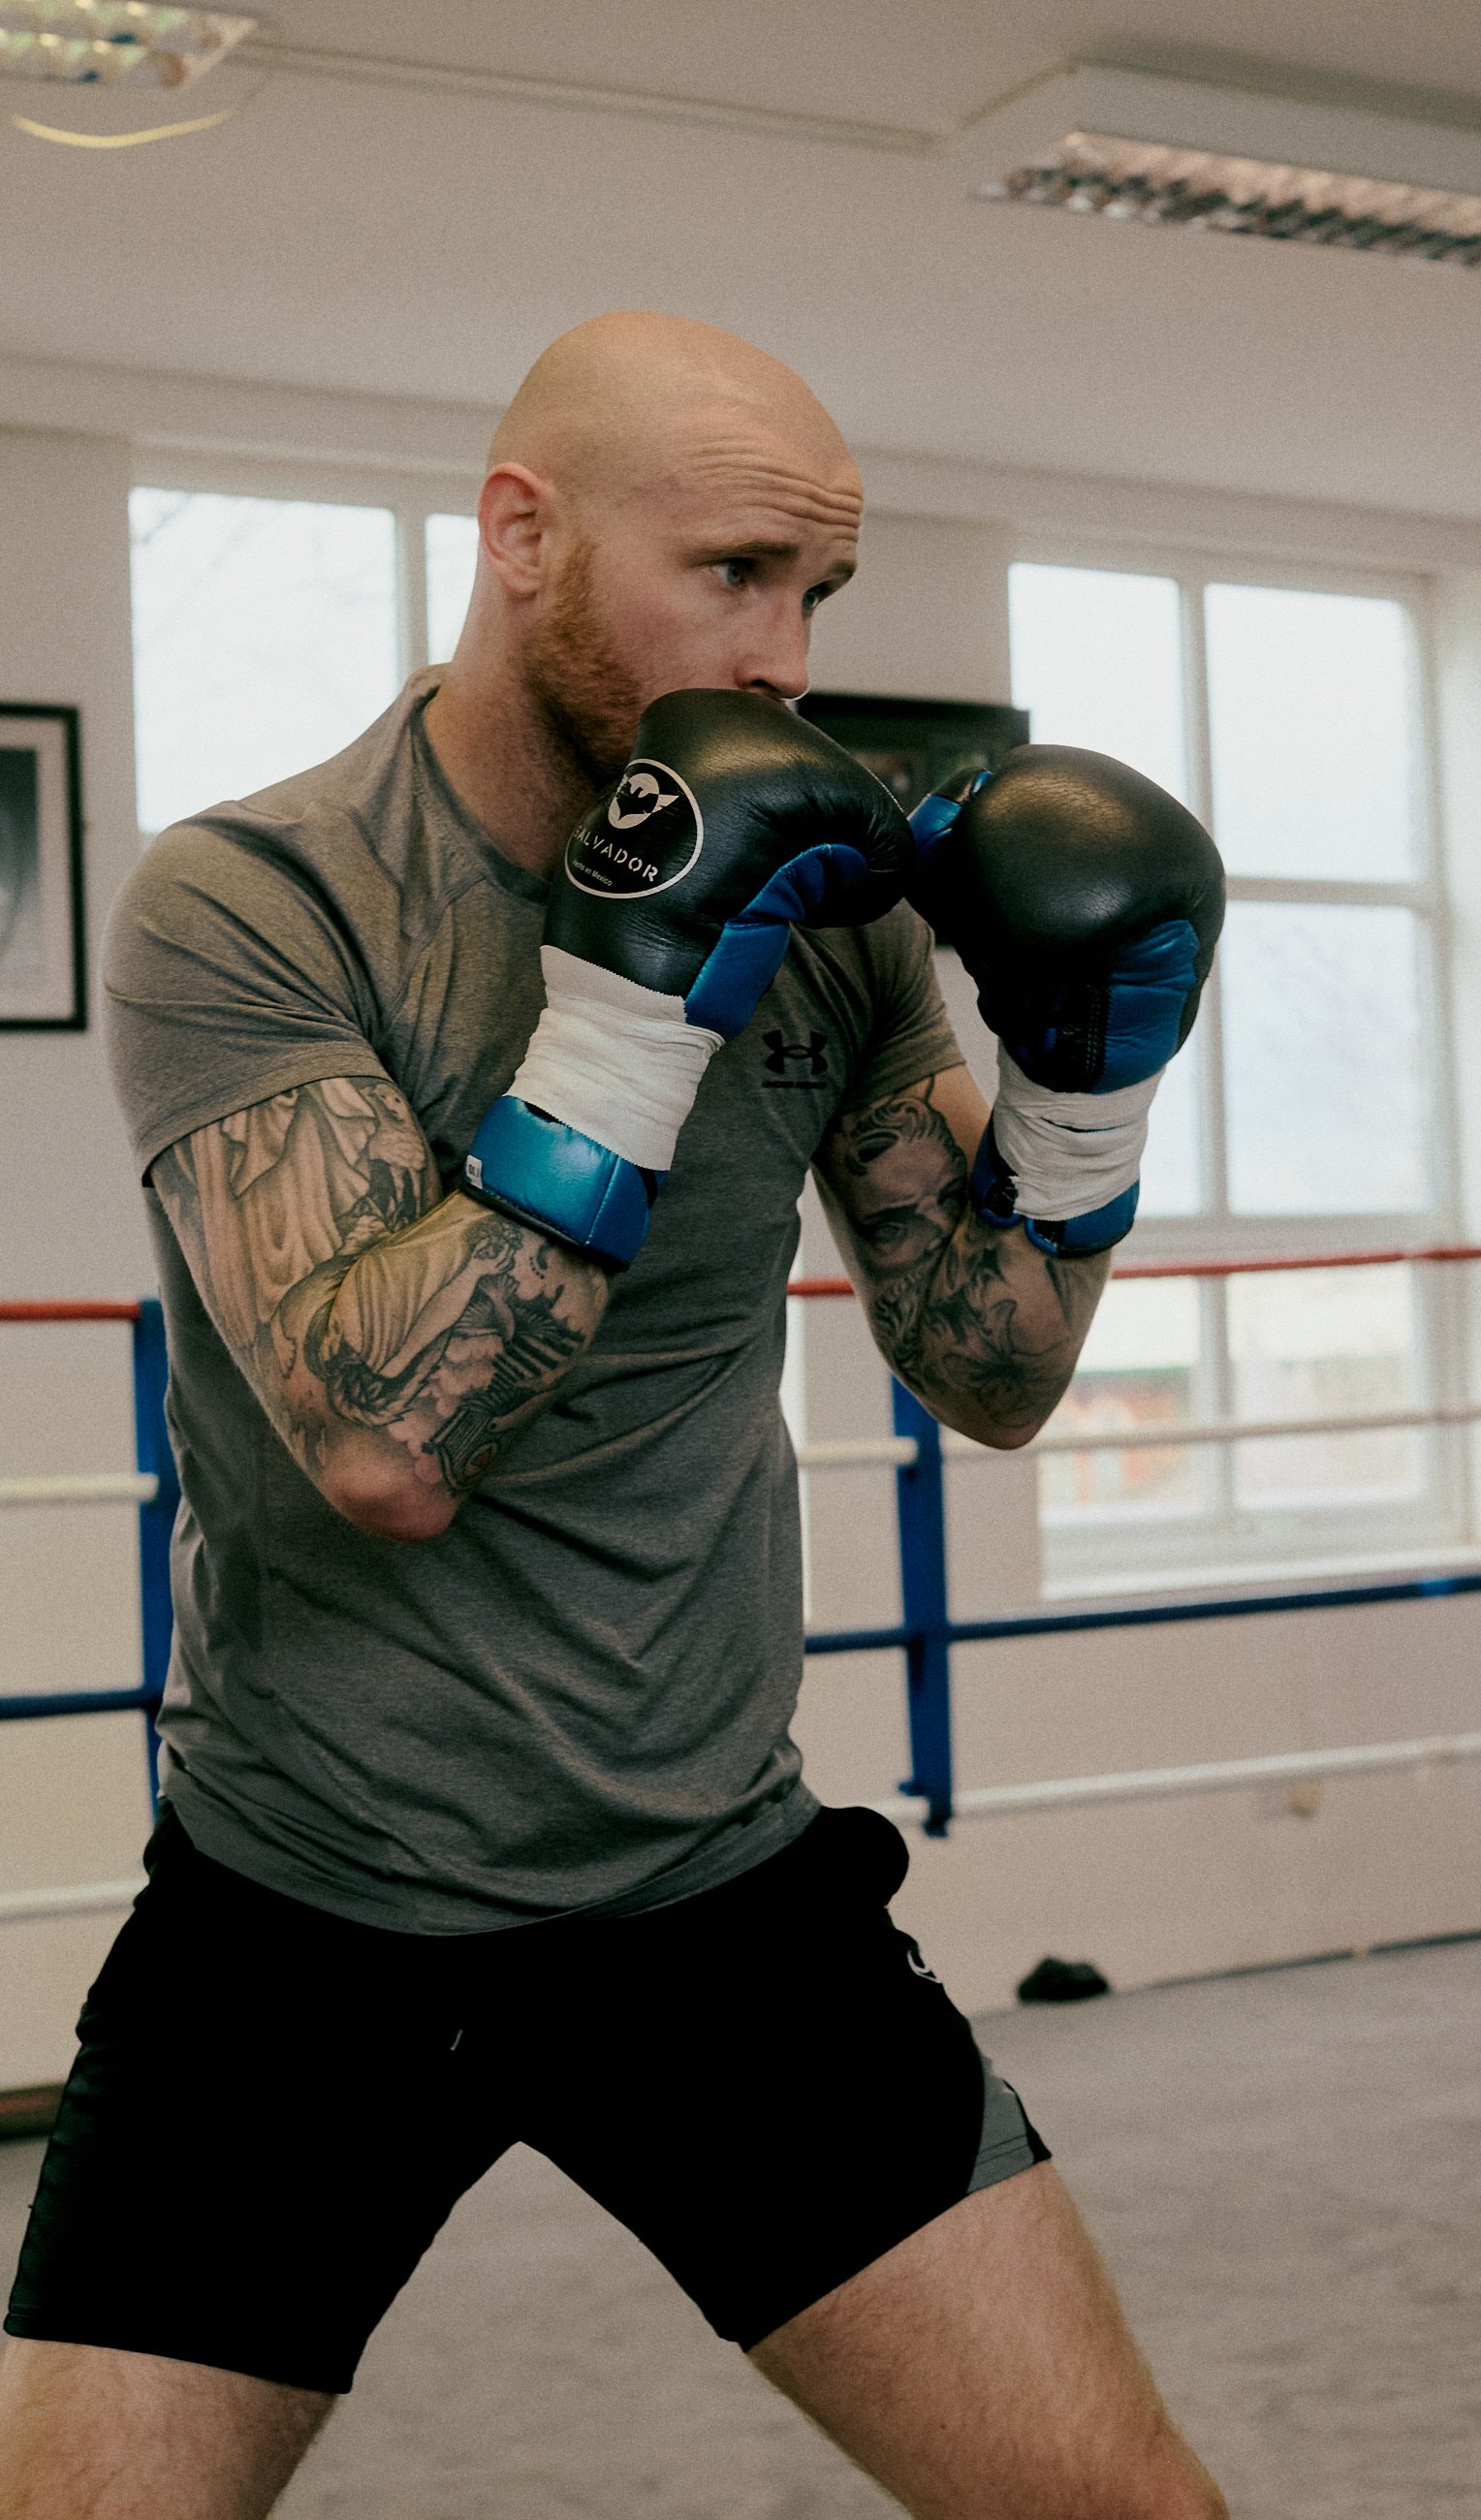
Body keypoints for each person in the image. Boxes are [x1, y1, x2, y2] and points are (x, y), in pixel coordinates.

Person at [0, 311, 1228, 2520]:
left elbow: (995, 1373)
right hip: (303, 1906)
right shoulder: (252, 902)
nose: (784, 648)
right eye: (738, 572)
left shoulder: (833, 932)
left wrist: (1086, 1090)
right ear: (523, 538)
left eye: (817, 593)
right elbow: (385, 1444)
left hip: (708, 1899)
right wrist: (640, 1005)